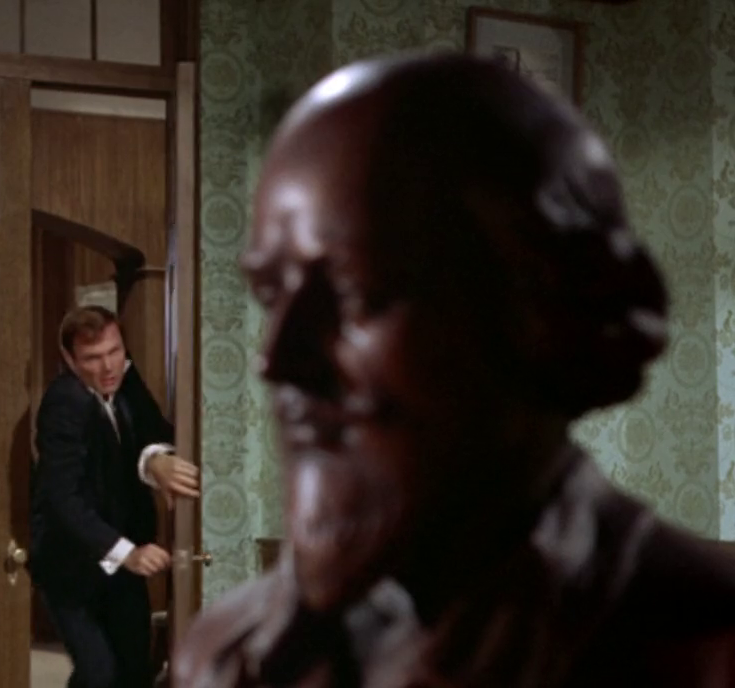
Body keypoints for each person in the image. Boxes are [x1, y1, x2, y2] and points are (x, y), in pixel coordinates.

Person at [174, 52, 735, 687]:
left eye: (356, 292)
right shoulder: (223, 652)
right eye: (272, 294)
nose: (277, 360)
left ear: (533, 309)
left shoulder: (705, 651)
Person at [31, 305, 201, 688]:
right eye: (93, 358)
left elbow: (153, 427)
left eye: (115, 351)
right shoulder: (64, 402)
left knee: (134, 669)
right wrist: (129, 553)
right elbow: (63, 499)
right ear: (69, 360)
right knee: (98, 673)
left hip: (121, 557)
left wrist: (155, 459)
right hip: (72, 563)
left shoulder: (123, 374)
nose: (109, 367)